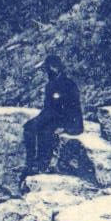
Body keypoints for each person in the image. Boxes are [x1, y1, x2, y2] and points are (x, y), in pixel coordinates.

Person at [21, 55, 83, 187]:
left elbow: (73, 109)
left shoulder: (68, 85)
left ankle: (43, 164)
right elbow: (48, 108)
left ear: (57, 68)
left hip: (69, 120)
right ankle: (31, 161)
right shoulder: (50, 85)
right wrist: (38, 120)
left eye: (50, 69)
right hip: (55, 117)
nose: (49, 72)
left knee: (46, 131)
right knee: (29, 127)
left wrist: (65, 126)